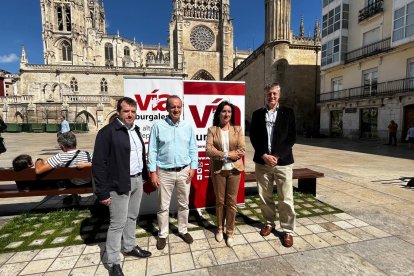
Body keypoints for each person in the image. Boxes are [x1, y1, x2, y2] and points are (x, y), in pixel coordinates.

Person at [92, 97, 151, 276]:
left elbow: (138, 156)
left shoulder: (136, 130)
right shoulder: (107, 132)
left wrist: (144, 176)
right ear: (118, 112)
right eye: (126, 111)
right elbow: (99, 164)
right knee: (117, 223)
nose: (130, 115)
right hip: (118, 183)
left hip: (137, 180)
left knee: (132, 217)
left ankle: (129, 246)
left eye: (133, 112)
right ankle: (113, 262)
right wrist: (102, 192)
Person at [148, 95, 198, 250]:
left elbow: (193, 148)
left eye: (178, 107)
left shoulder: (188, 126)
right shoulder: (158, 126)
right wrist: (152, 172)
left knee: (184, 204)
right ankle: (163, 234)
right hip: (164, 172)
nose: (176, 109)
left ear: (181, 108)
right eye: (172, 107)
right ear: (166, 108)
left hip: (184, 171)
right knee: (163, 206)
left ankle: (183, 230)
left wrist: (193, 167)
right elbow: (152, 150)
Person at [250, 82, 296, 248]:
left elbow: (291, 138)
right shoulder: (257, 114)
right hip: (262, 162)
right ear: (265, 95)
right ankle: (269, 223)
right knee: (265, 196)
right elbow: (254, 136)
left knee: (286, 198)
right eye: (269, 94)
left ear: (279, 95)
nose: (272, 96)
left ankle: (288, 230)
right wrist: (264, 155)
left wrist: (276, 155)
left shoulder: (288, 113)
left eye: (274, 94)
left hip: (283, 162)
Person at [206, 101, 245, 247]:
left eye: (229, 111)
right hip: (219, 170)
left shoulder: (237, 129)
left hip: (235, 170)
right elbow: (209, 150)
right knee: (220, 202)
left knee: (232, 202)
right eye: (224, 111)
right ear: (219, 113)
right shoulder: (212, 130)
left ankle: (230, 232)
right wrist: (227, 155)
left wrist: (225, 154)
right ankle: (219, 229)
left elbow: (241, 150)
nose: (227, 114)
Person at [35, 131, 92, 204]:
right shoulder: (88, 154)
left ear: (62, 146)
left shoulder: (60, 157)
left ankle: (74, 197)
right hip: (88, 182)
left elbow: (38, 170)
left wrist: (39, 160)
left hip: (72, 184)